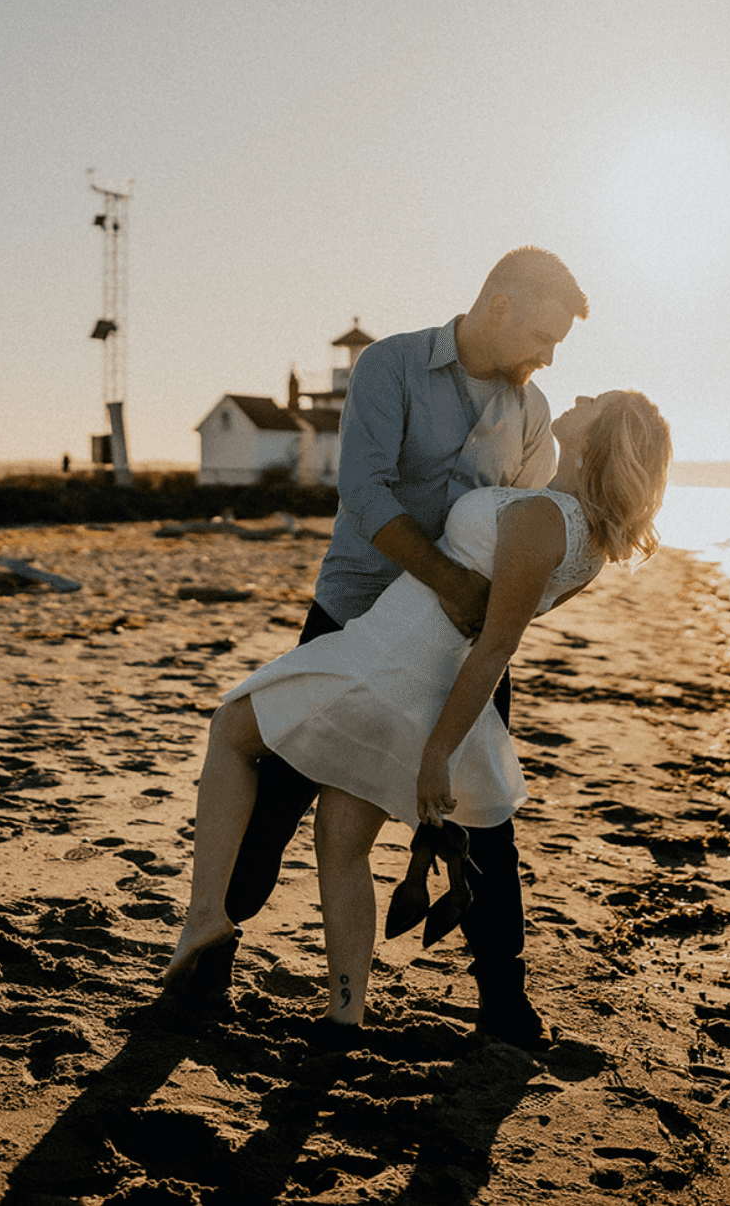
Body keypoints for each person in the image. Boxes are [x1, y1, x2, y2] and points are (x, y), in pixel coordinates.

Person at [167, 246, 587, 1047]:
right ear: (496, 306)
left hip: (458, 638)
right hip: (356, 615)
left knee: (485, 809)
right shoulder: (391, 365)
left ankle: (504, 1000)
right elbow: (362, 491)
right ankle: (215, 954)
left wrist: (489, 613)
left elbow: (524, 528)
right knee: (284, 787)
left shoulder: (531, 412)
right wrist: (448, 581)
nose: (549, 355)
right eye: (543, 332)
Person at [166, 389, 672, 1030]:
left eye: (594, 403)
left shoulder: (546, 517)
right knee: (341, 848)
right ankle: (343, 1019)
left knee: (233, 726)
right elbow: (491, 633)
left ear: (604, 439)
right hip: (413, 687)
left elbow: (493, 649)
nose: (578, 397)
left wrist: (439, 755)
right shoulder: (587, 542)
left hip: (381, 665)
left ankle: (209, 912)